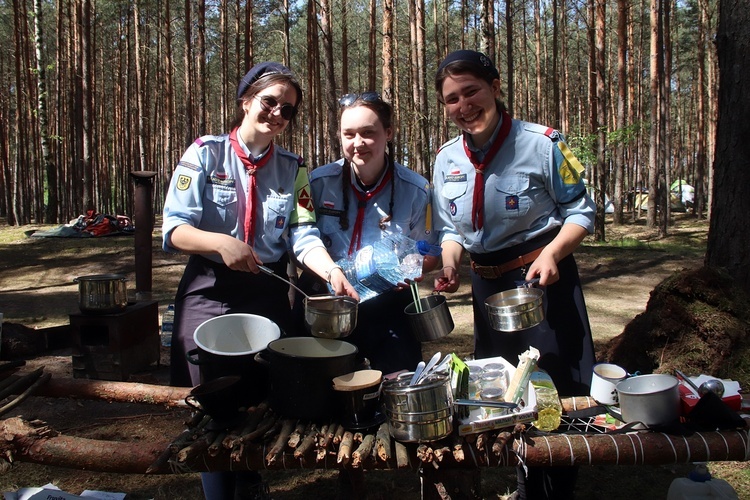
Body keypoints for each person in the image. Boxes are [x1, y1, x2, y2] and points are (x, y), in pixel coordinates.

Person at [162, 61, 357, 500]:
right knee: (211, 403)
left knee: (259, 398)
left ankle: (250, 484)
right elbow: (174, 229)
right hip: (209, 290)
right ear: (246, 100)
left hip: (266, 291)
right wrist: (219, 243)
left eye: (287, 110)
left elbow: (303, 234)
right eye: (269, 102)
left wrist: (330, 270)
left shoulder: (293, 170)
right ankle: (216, 490)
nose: (276, 114)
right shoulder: (205, 154)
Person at [431, 49, 596, 500]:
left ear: (495, 87)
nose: (463, 106)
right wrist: (450, 263)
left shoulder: (544, 143)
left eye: (471, 92)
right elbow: (450, 228)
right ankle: (525, 483)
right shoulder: (446, 160)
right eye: (451, 99)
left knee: (553, 388)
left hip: (543, 282)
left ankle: (560, 485)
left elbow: (581, 211)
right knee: (503, 389)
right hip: (488, 290)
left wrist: (553, 254)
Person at [295, 91, 439, 378]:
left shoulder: (416, 190)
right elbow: (300, 239)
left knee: (399, 387)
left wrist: (413, 269)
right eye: (349, 134)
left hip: (388, 305)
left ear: (389, 132)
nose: (357, 143)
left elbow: (431, 252)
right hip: (326, 302)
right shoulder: (317, 183)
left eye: (367, 133)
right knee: (317, 392)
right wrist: (331, 272)